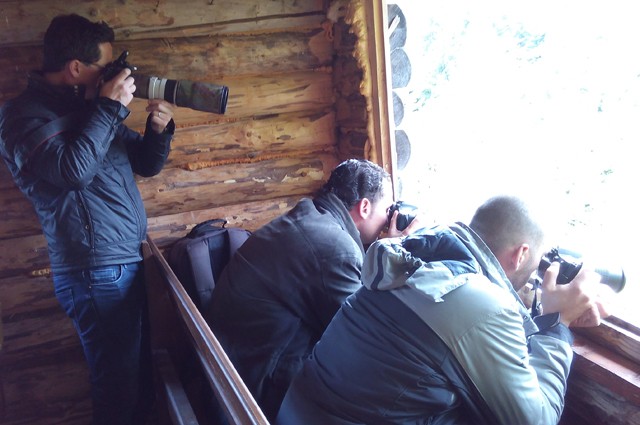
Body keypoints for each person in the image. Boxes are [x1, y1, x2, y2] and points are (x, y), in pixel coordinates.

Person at [276, 195, 612, 425]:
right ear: (521, 254)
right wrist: (558, 324)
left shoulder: (418, 258)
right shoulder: (483, 304)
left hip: (296, 411)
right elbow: (536, 419)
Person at [0, 14, 176, 425]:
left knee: (135, 382)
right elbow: (71, 171)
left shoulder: (92, 111)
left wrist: (158, 131)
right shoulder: (22, 116)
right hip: (93, 272)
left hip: (119, 264)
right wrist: (109, 107)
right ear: (76, 68)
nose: (116, 76)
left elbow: (145, 164)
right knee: (117, 390)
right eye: (106, 67)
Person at [205, 158, 421, 420]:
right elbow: (364, 335)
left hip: (230, 363)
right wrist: (392, 252)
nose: (389, 220)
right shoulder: (334, 249)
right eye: (387, 210)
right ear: (365, 207)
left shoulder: (310, 217)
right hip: (254, 388)